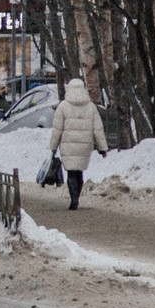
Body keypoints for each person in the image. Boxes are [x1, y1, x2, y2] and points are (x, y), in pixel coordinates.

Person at [48, 77, 108, 210]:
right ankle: (77, 197)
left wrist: (53, 147)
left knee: (71, 172)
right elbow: (98, 129)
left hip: (68, 144)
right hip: (85, 145)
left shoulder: (63, 106)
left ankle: (73, 199)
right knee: (79, 171)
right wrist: (102, 148)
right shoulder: (91, 107)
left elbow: (57, 129)